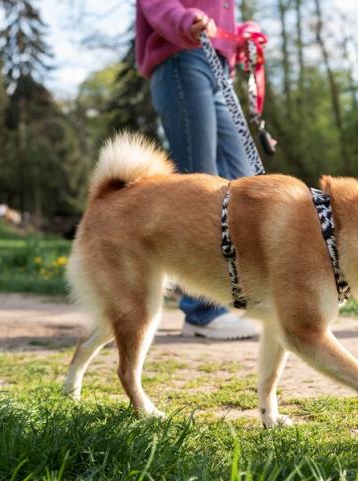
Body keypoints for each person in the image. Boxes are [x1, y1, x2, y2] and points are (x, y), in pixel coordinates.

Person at [136, 0, 258, 340]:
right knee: (200, 191)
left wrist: (240, 38)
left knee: (245, 183)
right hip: (181, 59)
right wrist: (184, 20)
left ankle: (235, 296)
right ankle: (202, 311)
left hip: (218, 66)